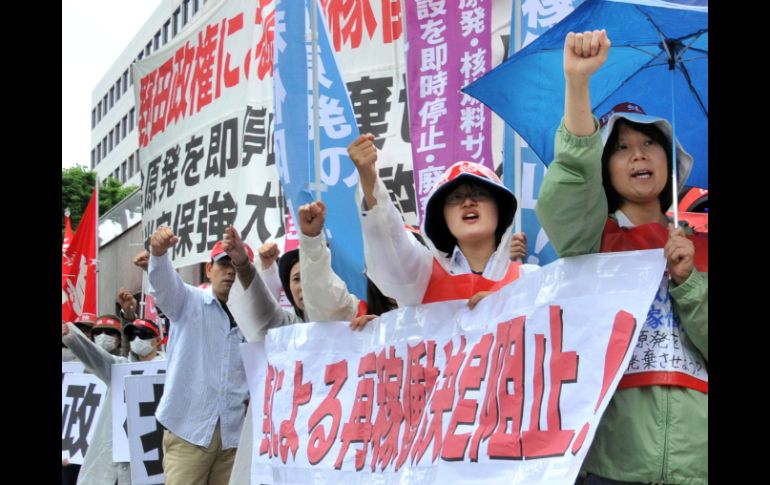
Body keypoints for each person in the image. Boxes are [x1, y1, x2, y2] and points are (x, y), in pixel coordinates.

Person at [535, 30, 707, 484]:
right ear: (604, 169)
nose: (638, 155)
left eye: (649, 142)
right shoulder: (590, 242)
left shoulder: (701, 248)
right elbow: (570, 179)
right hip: (610, 465)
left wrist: (689, 281)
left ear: (669, 160)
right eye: (622, 148)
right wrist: (578, 83)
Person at [348, 135, 536, 309]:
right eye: (455, 198)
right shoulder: (421, 275)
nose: (468, 202)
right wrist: (368, 178)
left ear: (500, 209)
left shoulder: (531, 281)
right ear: (441, 217)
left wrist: (507, 306)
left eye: (480, 194)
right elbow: (390, 242)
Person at [148, 227, 254, 485]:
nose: (230, 271)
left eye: (237, 266)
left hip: (233, 439)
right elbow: (163, 287)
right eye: (223, 263)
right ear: (209, 269)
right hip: (188, 434)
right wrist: (159, 254)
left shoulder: (253, 318)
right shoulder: (187, 301)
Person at [62, 315, 165, 485]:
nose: (137, 339)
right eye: (132, 335)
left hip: (152, 468)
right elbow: (96, 357)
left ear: (158, 340)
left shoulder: (171, 372)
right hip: (109, 468)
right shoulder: (119, 368)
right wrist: (72, 335)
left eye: (144, 334)